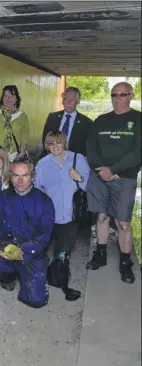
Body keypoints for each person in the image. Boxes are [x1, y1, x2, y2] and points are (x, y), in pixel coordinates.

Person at [85, 82, 141, 284]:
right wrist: (101, 170)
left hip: (124, 178)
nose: (117, 98)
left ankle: (125, 262)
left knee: (123, 222)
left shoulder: (138, 119)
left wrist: (114, 170)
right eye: (114, 94)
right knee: (101, 216)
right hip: (99, 176)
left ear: (130, 96)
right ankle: (100, 254)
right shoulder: (100, 121)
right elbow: (90, 147)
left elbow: (137, 153)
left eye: (122, 94)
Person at [0, 154, 55, 308]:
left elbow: (43, 238)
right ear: (10, 177)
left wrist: (22, 250)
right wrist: (6, 245)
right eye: (16, 175)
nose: (20, 180)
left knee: (36, 301)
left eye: (25, 175)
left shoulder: (44, 202)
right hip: (8, 251)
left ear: (33, 176)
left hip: (32, 255)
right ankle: (9, 277)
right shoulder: (1, 199)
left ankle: (34, 278)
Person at [35, 131, 90, 273]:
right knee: (40, 251)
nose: (55, 146)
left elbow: (89, 187)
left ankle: (60, 274)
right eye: (51, 143)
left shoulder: (78, 159)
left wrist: (79, 177)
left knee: (62, 253)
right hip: (49, 216)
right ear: (47, 146)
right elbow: (37, 191)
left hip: (70, 216)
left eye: (58, 142)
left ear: (64, 143)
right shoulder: (42, 164)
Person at [41, 87, 93, 157]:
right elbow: (45, 139)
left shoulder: (87, 123)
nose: (68, 103)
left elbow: (88, 147)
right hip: (52, 157)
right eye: (66, 100)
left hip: (74, 162)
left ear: (78, 101)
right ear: (62, 101)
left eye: (72, 100)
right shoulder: (52, 117)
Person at [0, 85, 29, 162]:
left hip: (12, 156)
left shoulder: (22, 117)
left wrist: (21, 154)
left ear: (16, 99)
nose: (9, 99)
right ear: (2, 98)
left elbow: (24, 138)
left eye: (12, 96)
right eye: (6, 96)